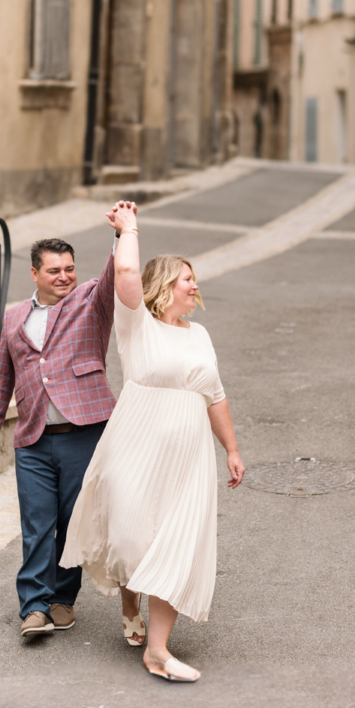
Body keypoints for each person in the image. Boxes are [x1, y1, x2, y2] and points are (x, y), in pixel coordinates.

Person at [61, 201, 244, 682]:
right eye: (188, 278)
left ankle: (158, 651)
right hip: (136, 446)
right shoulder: (135, 321)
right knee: (132, 538)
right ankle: (129, 603)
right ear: (165, 284)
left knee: (177, 546)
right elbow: (125, 270)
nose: (195, 285)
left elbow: (215, 396)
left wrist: (231, 449)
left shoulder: (200, 334)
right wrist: (129, 228)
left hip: (189, 458)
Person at [0, 207, 135, 637]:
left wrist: (123, 234)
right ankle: (34, 606)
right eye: (54, 270)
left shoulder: (90, 301)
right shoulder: (14, 317)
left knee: (72, 523)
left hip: (84, 434)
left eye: (69, 268)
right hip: (32, 437)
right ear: (34, 274)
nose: (64, 276)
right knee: (36, 524)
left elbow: (111, 274)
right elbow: (0, 376)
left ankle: (63, 598)